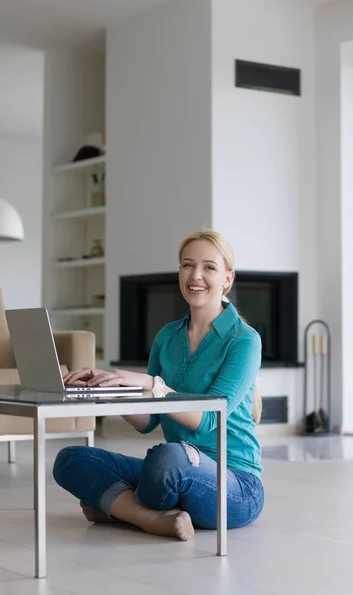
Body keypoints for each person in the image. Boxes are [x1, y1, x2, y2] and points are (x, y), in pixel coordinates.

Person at [53, 230, 264, 541]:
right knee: (70, 458)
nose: (196, 275)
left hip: (234, 483)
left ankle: (119, 507)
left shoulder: (244, 340)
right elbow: (147, 421)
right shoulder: (167, 336)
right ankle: (149, 518)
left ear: (227, 279)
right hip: (174, 466)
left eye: (209, 267)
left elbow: (208, 420)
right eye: (187, 265)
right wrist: (108, 389)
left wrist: (155, 385)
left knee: (167, 460)